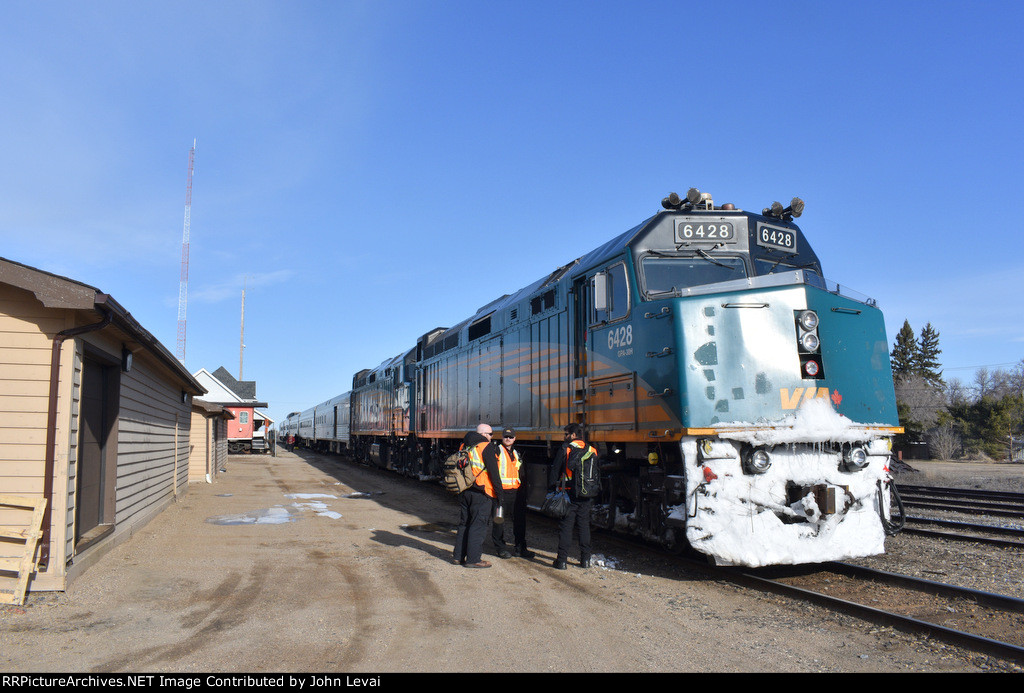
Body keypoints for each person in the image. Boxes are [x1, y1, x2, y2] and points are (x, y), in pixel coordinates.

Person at [549, 423, 599, 569]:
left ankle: (562, 561)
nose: (564, 437)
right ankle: (585, 560)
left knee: (566, 527)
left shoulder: (566, 448)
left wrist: (552, 489)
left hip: (569, 493)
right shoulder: (592, 450)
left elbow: (555, 471)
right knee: (584, 526)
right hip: (586, 493)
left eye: (566, 434)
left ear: (572, 435)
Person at [452, 424, 502, 569]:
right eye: (491, 434)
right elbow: (494, 473)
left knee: (464, 523)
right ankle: (473, 559)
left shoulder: (464, 445)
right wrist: (499, 496)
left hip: (465, 490)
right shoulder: (485, 446)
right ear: (485, 434)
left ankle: (458, 557)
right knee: (478, 525)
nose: (492, 437)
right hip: (481, 491)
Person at [490, 428, 534, 559]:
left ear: (515, 438)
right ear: (502, 438)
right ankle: (500, 549)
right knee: (499, 521)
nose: (508, 439)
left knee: (520, 522)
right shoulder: (496, 451)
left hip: (516, 493)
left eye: (510, 437)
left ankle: (521, 548)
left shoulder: (517, 453)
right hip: (501, 493)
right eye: (506, 437)